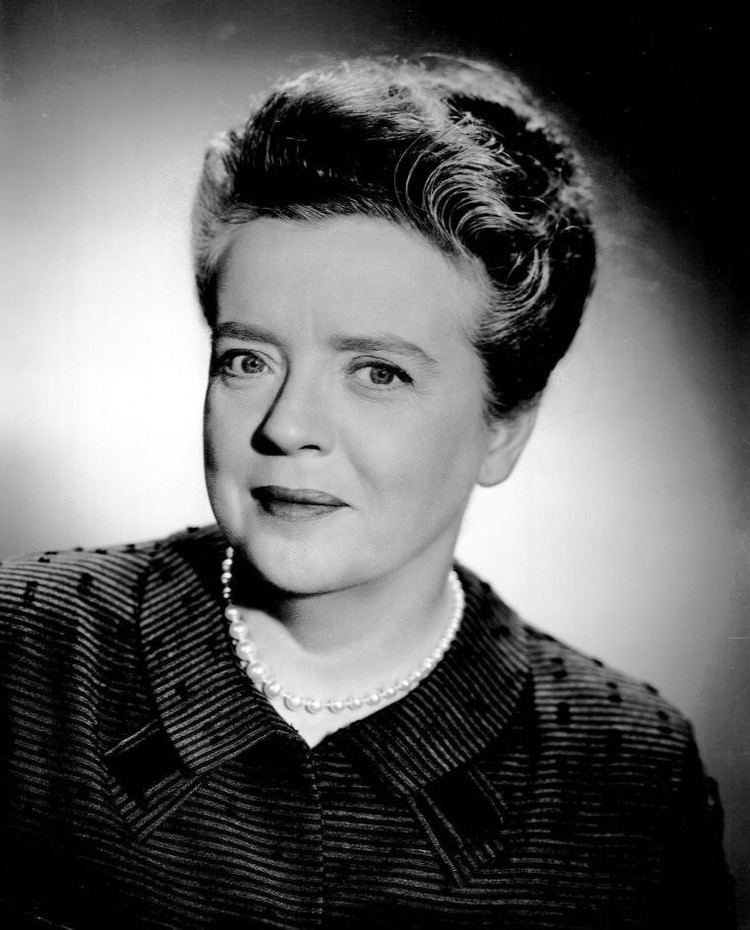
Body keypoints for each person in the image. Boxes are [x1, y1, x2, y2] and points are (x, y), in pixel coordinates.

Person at [0, 55, 735, 928]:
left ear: (504, 427)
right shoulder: (27, 646)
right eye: (249, 360)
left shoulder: (631, 776)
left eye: (377, 373)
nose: (286, 426)